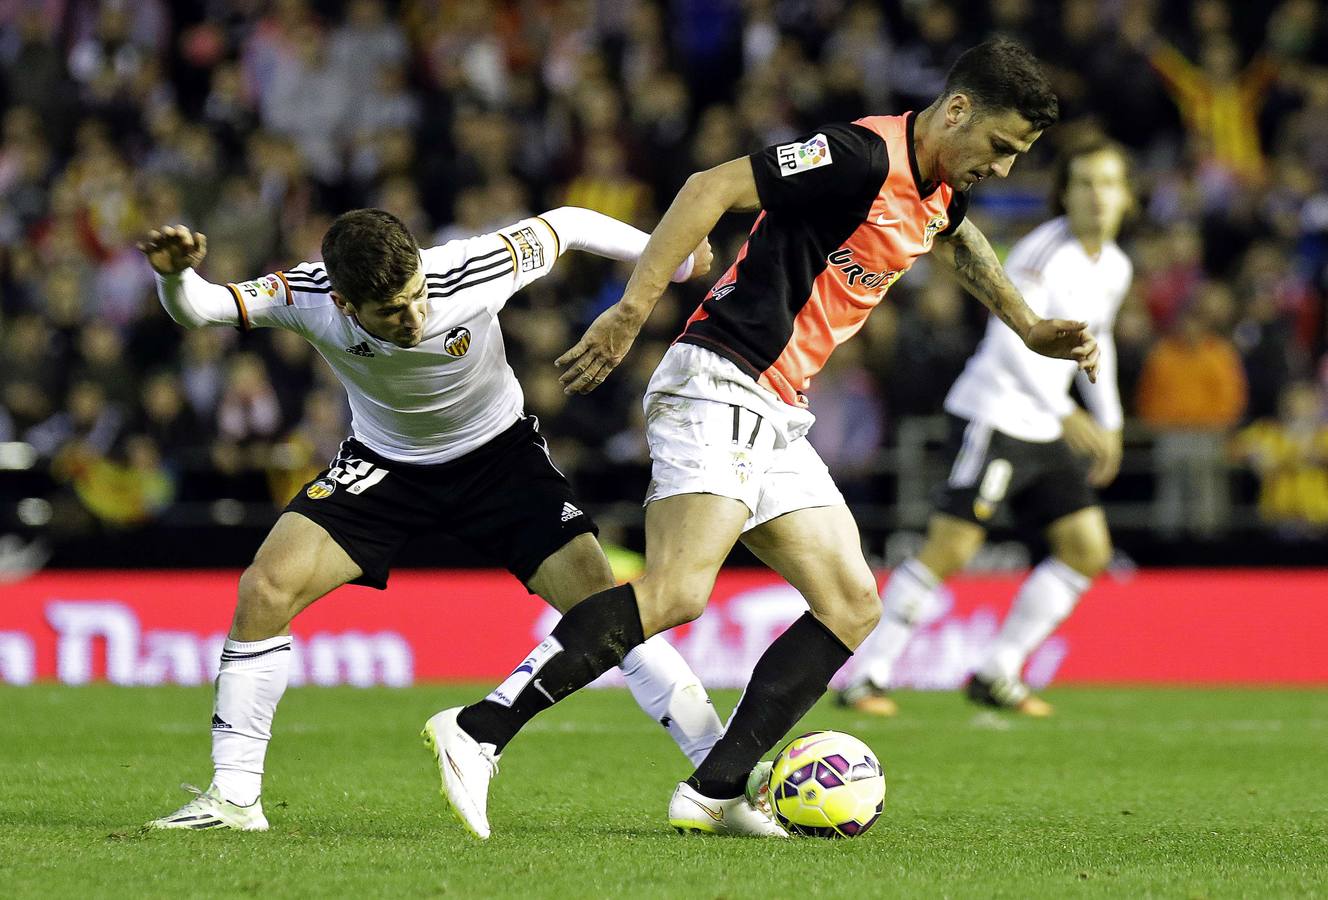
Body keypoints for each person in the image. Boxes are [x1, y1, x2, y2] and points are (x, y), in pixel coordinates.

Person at [425, 38, 1099, 840]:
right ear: (956, 110)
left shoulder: (936, 185)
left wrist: (1025, 325)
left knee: (852, 604)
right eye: (999, 146)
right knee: (678, 588)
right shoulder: (855, 155)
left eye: (1018, 155)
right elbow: (709, 187)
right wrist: (633, 310)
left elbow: (955, 236)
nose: (1005, 169)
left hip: (777, 407)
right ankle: (477, 730)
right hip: (720, 379)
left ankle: (713, 791)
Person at [138, 206, 724, 831]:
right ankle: (233, 799)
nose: (414, 318)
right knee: (264, 588)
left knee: (606, 613)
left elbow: (572, 223)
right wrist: (175, 278)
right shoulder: (304, 295)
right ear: (344, 303)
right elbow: (199, 307)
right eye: (392, 311)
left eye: (417, 296)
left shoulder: (471, 269)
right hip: (385, 466)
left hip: (501, 461)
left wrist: (673, 256)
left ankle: (720, 777)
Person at [840, 135, 1135, 718]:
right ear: (1064, 195)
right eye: (1084, 184)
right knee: (950, 549)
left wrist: (1112, 422)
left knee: (1086, 548)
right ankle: (864, 675)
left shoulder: (1117, 266)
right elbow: (1008, 342)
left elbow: (1099, 344)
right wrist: (1068, 414)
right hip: (995, 415)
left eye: (1109, 184)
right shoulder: (1043, 255)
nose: (1097, 197)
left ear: (1128, 197)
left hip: (1046, 427)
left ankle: (998, 671)